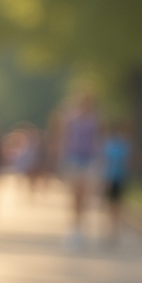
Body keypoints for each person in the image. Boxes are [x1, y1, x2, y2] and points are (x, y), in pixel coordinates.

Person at [59, 94, 101, 249]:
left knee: (84, 195)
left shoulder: (94, 120)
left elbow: (97, 140)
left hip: (88, 159)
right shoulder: (71, 119)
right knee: (75, 195)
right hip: (74, 158)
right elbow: (65, 138)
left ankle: (81, 226)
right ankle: (74, 227)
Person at [101, 121, 131, 247]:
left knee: (114, 205)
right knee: (113, 205)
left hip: (116, 178)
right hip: (113, 178)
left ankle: (113, 230)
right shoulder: (118, 145)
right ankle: (110, 230)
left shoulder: (116, 145)